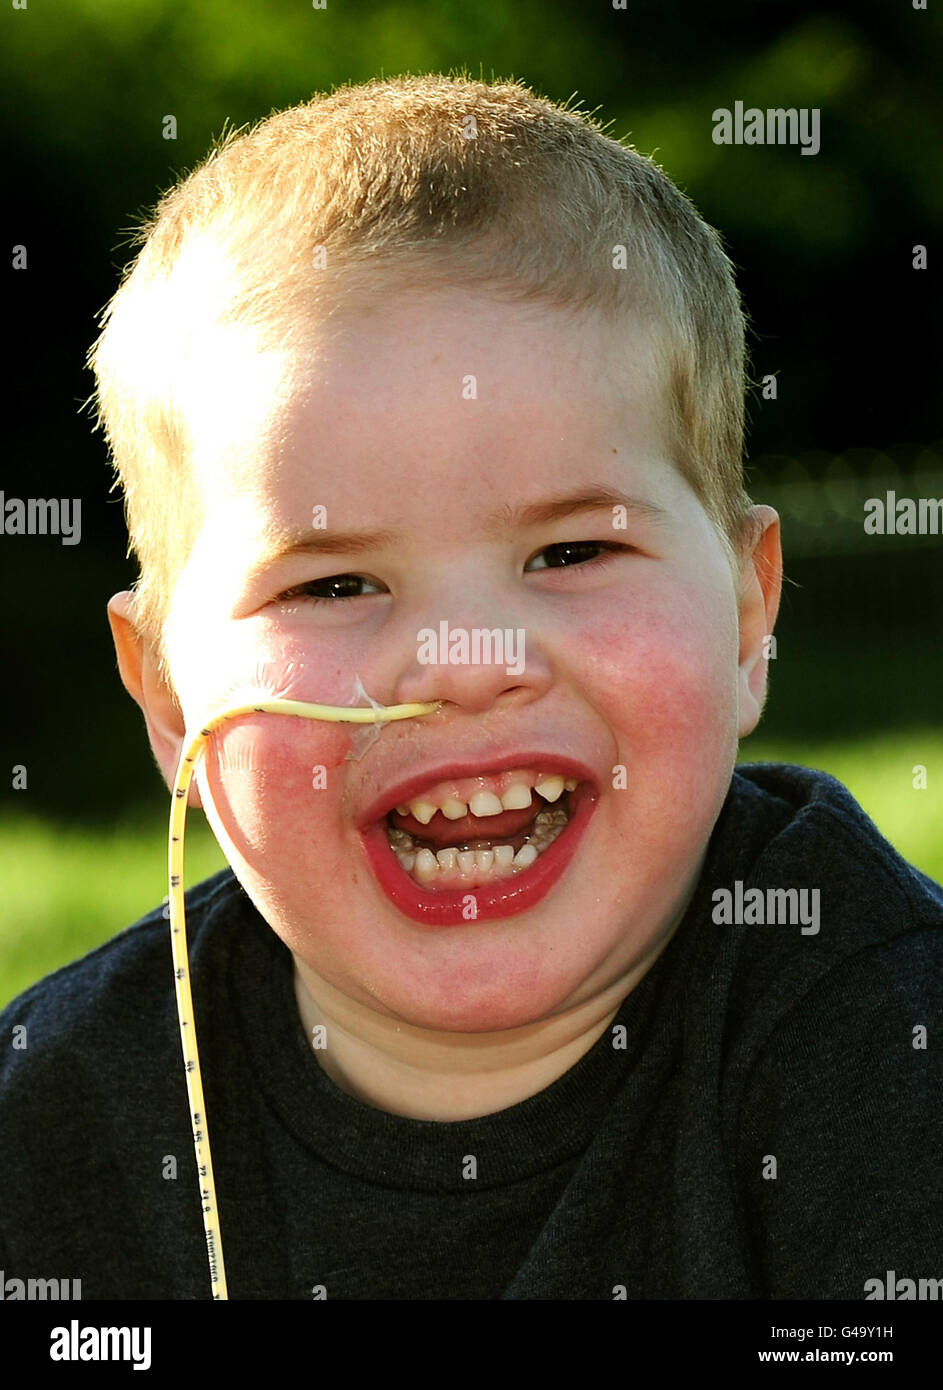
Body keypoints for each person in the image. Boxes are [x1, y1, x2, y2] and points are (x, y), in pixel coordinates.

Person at [1, 73, 940, 1300]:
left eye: (571, 551)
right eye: (333, 584)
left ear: (748, 617)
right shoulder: (55, 1121)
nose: (465, 664)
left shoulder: (883, 1043)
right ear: (170, 697)